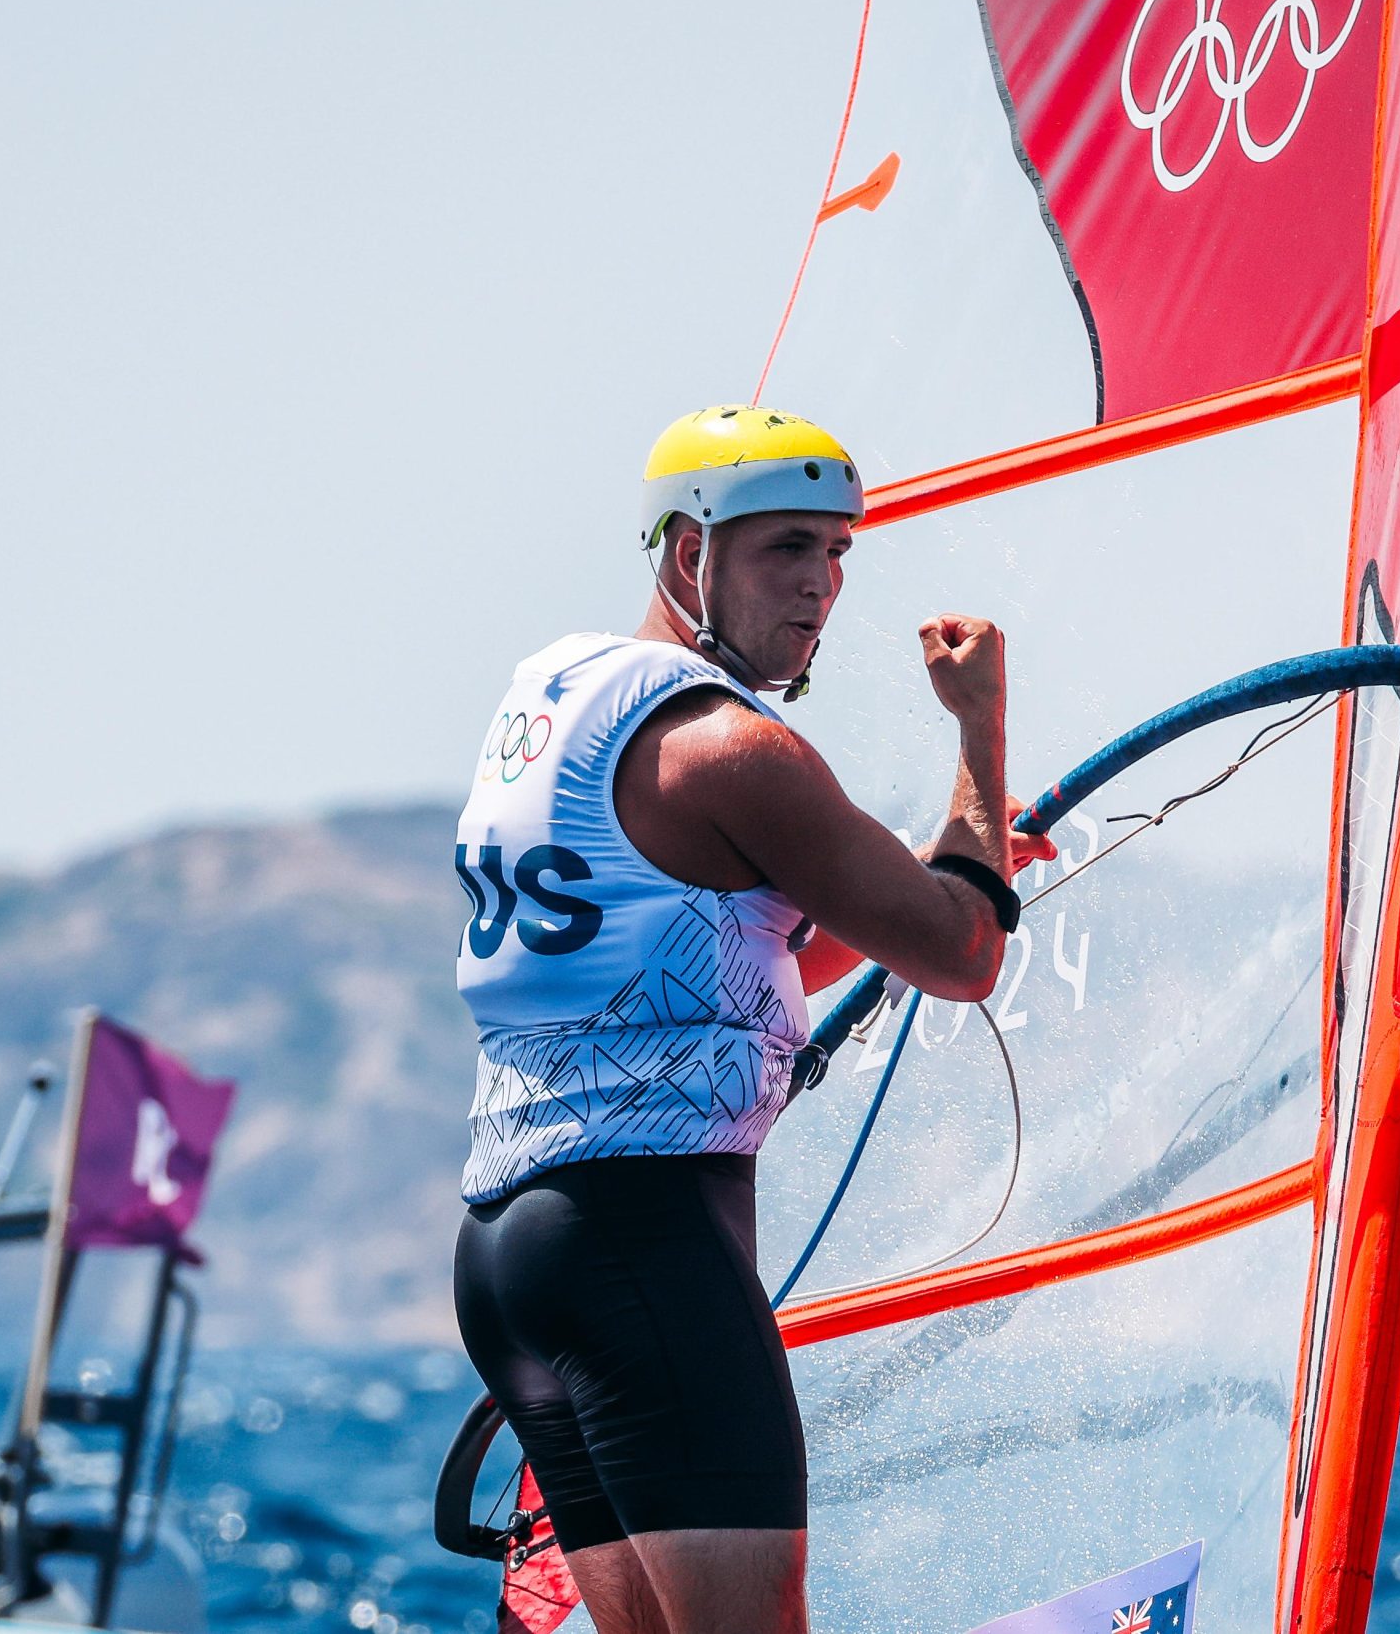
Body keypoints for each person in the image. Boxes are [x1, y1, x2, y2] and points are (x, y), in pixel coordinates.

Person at [448, 405, 1054, 1634]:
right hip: (643, 1246)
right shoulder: (730, 747)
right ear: (689, 555)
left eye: (839, 551)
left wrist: (960, 864)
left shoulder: (551, 707)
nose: (823, 586)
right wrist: (979, 735)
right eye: (788, 548)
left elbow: (752, 945)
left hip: (515, 1255)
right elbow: (962, 954)